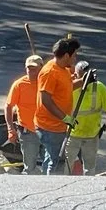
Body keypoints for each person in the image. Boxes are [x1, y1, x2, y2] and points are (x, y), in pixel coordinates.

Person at [35, 37, 81, 175]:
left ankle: (48, 182)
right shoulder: (50, 72)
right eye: (75, 55)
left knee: (53, 159)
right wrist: (65, 118)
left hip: (58, 125)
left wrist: (84, 81)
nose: (75, 59)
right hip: (50, 127)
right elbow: (46, 100)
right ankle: (50, 187)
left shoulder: (64, 69)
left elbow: (66, 88)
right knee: (54, 161)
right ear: (67, 55)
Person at [65, 60, 106, 175]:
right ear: (75, 75)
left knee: (90, 167)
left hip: (91, 135)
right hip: (72, 134)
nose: (84, 81)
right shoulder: (69, 87)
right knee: (66, 165)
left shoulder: (100, 88)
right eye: (81, 77)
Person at [3, 54, 43, 174]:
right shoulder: (19, 84)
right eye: (28, 68)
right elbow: (8, 106)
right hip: (28, 132)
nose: (30, 71)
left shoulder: (47, 82)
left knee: (51, 165)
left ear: (42, 68)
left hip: (48, 131)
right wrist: (10, 129)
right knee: (29, 167)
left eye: (34, 68)